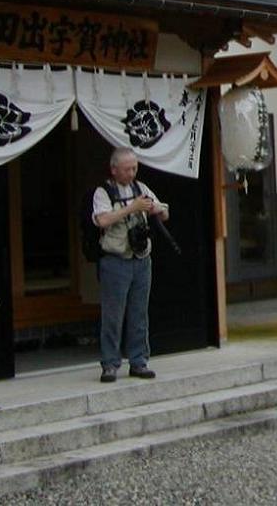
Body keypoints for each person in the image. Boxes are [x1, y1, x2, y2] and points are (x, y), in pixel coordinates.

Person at [93, 146, 169, 383]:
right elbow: (102, 220)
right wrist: (131, 208)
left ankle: (139, 361)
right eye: (127, 169)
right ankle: (110, 364)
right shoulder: (103, 192)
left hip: (141, 258)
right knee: (113, 315)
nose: (131, 173)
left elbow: (165, 213)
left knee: (139, 313)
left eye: (134, 168)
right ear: (114, 169)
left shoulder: (141, 188)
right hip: (115, 260)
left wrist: (156, 209)